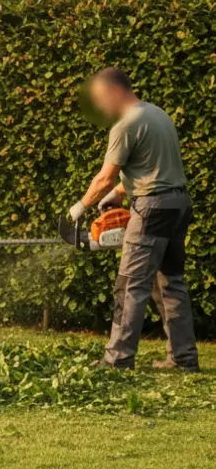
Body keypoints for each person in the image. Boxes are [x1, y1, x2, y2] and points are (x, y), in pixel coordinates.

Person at [70, 67, 198, 371]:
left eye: (101, 98)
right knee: (171, 283)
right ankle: (184, 359)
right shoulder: (157, 114)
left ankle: (117, 359)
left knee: (130, 285)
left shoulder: (126, 124)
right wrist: (119, 193)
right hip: (178, 204)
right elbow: (153, 166)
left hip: (152, 208)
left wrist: (80, 206)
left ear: (115, 90)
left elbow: (104, 177)